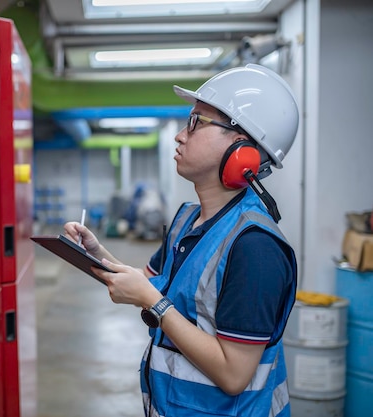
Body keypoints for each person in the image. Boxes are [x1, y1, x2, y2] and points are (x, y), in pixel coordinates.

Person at [64, 63, 299, 417]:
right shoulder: (187, 219)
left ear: (241, 150)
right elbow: (148, 286)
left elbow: (234, 374)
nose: (179, 135)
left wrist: (154, 304)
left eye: (196, 123)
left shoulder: (255, 247)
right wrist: (97, 254)